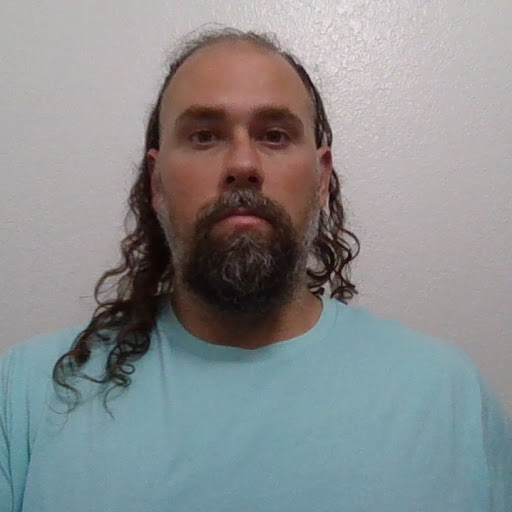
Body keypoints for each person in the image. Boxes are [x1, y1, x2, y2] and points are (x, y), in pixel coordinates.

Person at [1, 27, 511, 512]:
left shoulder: (447, 398)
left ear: (321, 179)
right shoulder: (30, 393)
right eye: (204, 136)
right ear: (156, 182)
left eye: (275, 135)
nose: (243, 164)